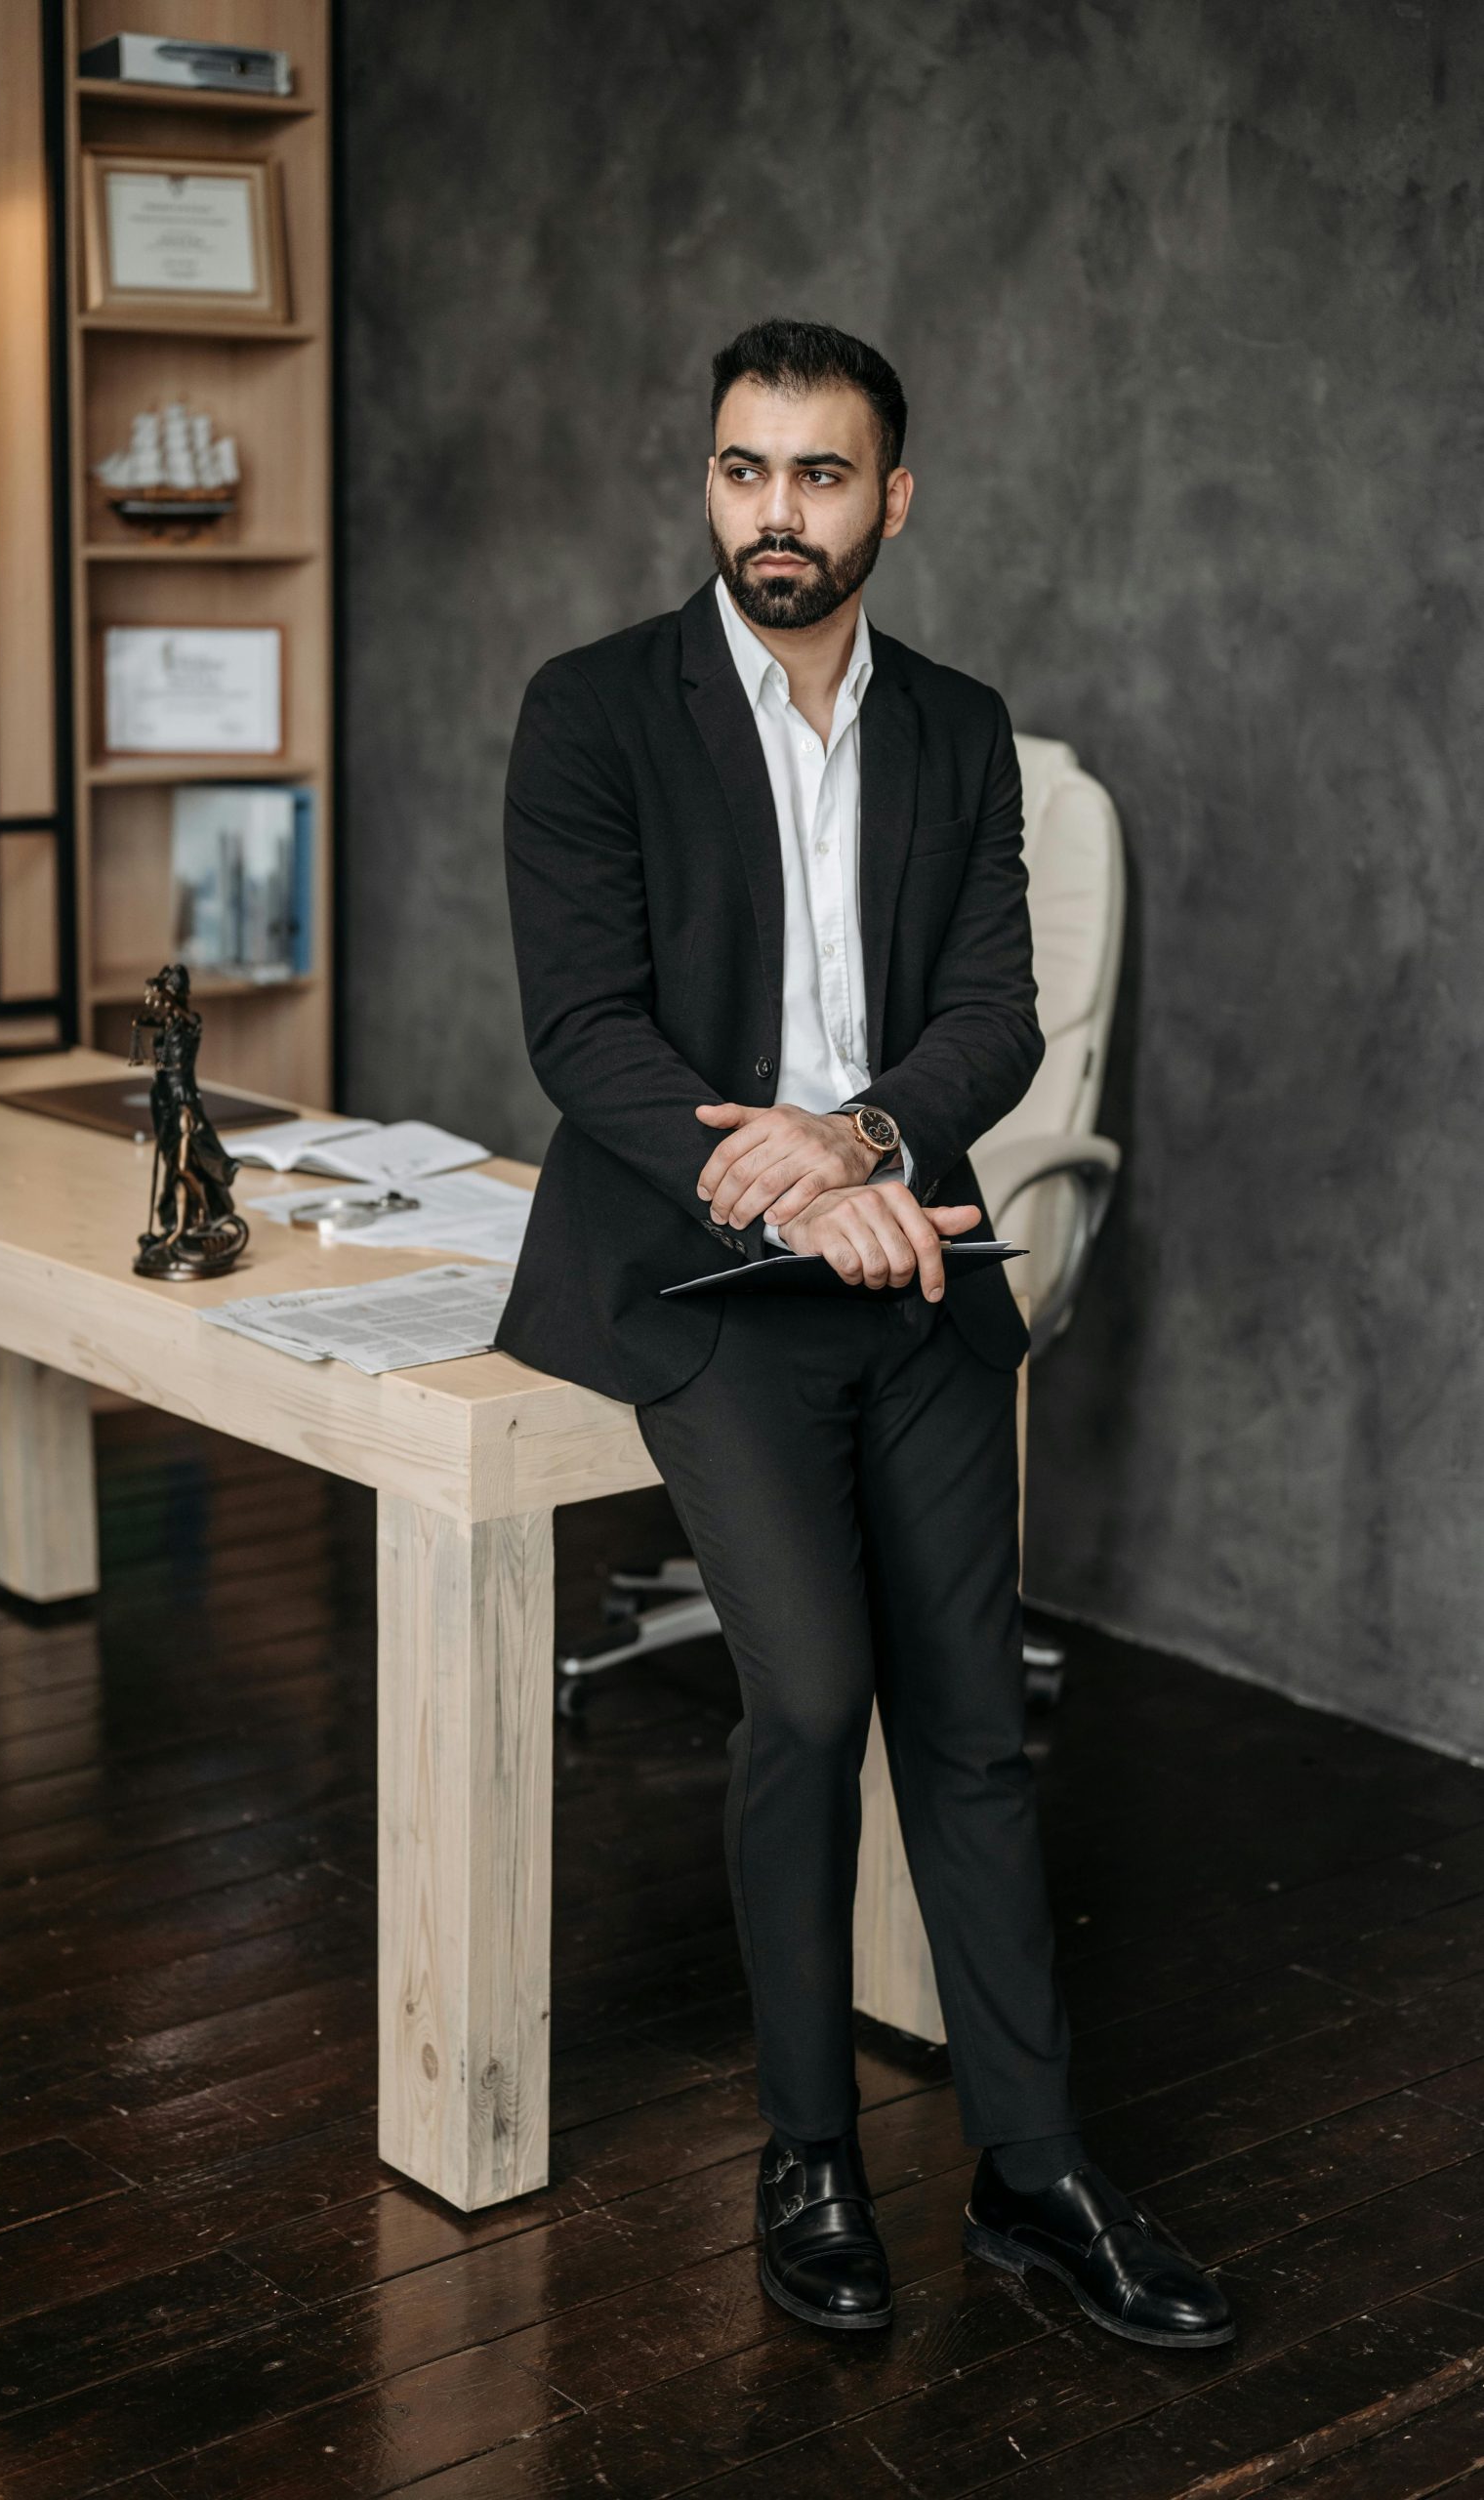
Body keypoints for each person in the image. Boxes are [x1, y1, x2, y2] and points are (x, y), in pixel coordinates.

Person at [493, 316, 1233, 2348]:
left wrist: (865, 1143)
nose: (776, 512)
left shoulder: (961, 728)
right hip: (704, 1268)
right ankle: (806, 2148)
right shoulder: (593, 710)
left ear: (889, 498)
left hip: (911, 1253)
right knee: (813, 1701)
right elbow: (585, 1031)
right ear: (708, 480)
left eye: (819, 475)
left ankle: (1033, 2166)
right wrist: (790, 1179)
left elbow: (996, 1016)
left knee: (971, 1721)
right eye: (744, 468)